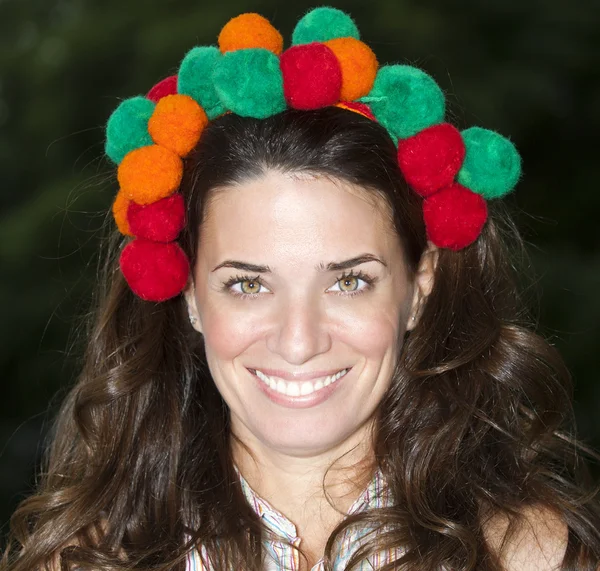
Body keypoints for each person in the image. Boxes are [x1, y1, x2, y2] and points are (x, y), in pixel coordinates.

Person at [2, 7, 600, 571]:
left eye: (348, 281)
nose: (298, 341)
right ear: (187, 295)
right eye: (246, 284)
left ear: (421, 286)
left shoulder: (532, 555)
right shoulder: (86, 562)